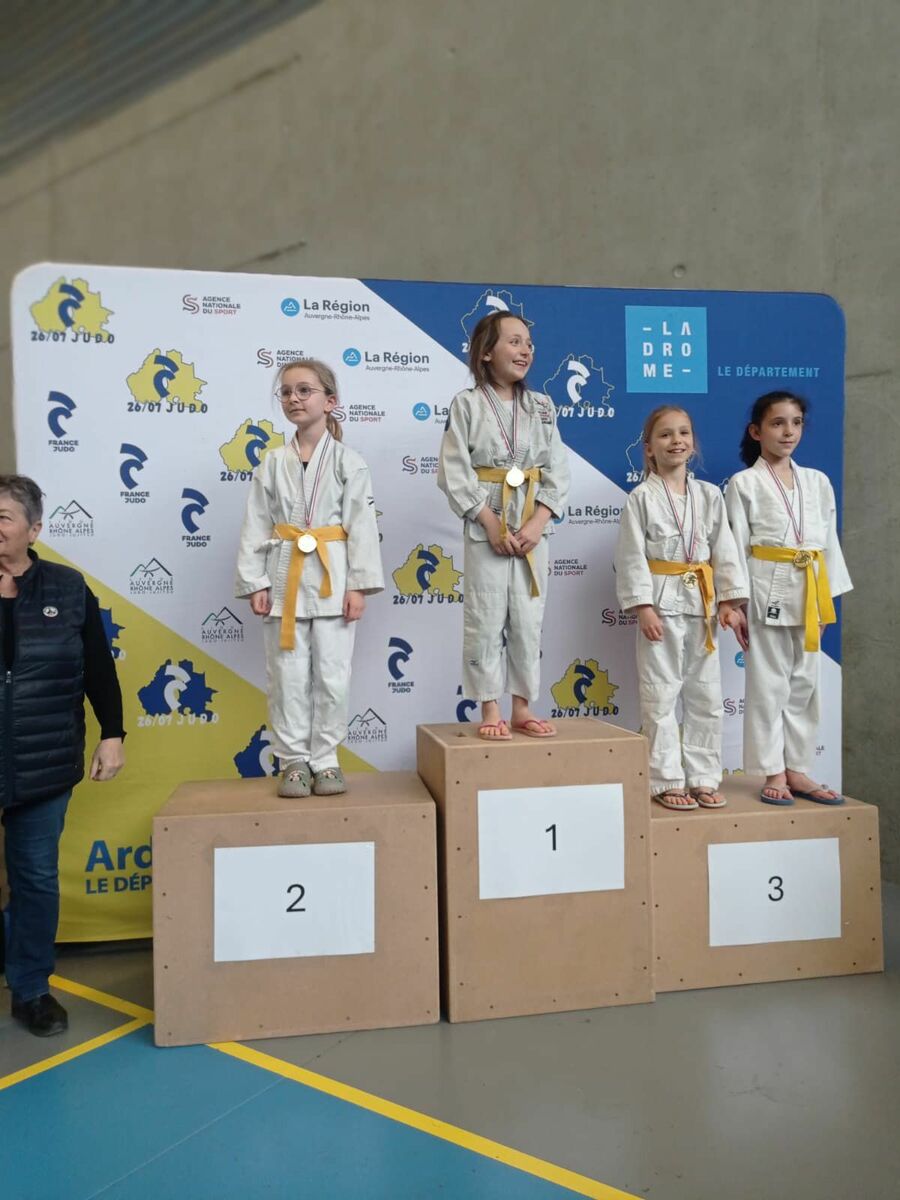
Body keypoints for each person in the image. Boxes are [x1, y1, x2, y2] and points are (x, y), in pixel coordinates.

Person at [0, 475, 124, 1036]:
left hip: (44, 761)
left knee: (35, 880)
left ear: (34, 529)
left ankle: (30, 989)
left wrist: (112, 733)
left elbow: (97, 664)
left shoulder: (68, 587)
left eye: (3, 517)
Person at [236, 359, 383, 797]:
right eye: (286, 392)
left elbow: (362, 526)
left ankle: (326, 759)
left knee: (333, 676)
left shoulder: (349, 462)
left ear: (330, 401)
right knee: (286, 676)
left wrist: (358, 586)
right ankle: (293, 761)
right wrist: (256, 581)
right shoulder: (271, 462)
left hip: (332, 577)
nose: (293, 399)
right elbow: (256, 523)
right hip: (284, 576)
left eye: (304, 390)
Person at [437, 311, 570, 740]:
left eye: (528, 343)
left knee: (528, 619)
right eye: (513, 342)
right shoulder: (467, 404)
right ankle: (490, 707)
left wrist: (539, 521)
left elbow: (558, 469)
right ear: (485, 352)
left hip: (532, 523)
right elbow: (454, 470)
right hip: (486, 524)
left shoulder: (542, 406)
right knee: (486, 616)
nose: (525, 350)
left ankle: (523, 706)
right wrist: (490, 521)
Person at [614, 407, 747, 810]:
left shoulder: (708, 495)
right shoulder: (641, 498)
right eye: (666, 434)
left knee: (706, 696)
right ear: (648, 448)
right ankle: (666, 778)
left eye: (684, 433)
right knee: (660, 695)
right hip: (662, 606)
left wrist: (729, 601)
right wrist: (643, 607)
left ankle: (704, 778)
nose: (677, 441)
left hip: (703, 609)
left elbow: (724, 549)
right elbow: (631, 557)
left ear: (693, 442)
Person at [725, 391, 852, 805]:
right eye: (777, 423)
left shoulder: (817, 482)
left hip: (811, 589)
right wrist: (736, 602)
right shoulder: (744, 484)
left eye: (796, 423)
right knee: (768, 686)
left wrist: (827, 601)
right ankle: (773, 770)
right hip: (766, 589)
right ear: (756, 431)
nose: (788, 432)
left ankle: (798, 768)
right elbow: (734, 546)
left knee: (805, 686)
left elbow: (828, 543)